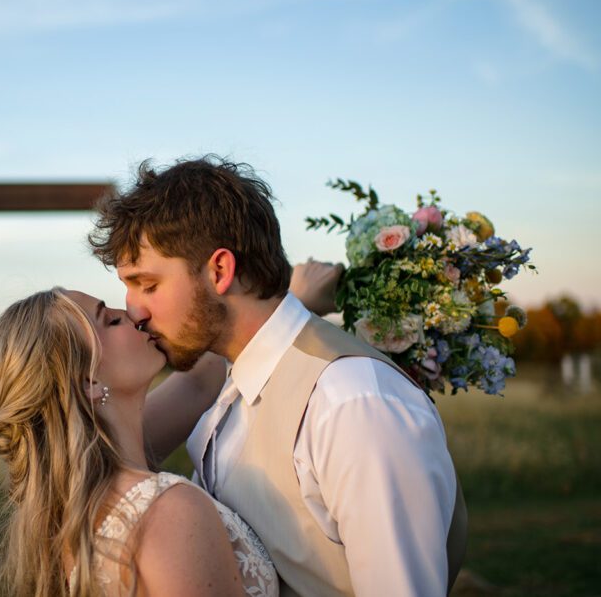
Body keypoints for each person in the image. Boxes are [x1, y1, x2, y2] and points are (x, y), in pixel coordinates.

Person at [89, 156, 468, 597]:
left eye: (147, 284)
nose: (133, 310)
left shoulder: (351, 404)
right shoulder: (236, 383)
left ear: (219, 271)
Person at [0, 273, 337, 596]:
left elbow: (197, 382)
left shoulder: (72, 498)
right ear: (89, 383)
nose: (135, 314)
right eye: (109, 320)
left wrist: (283, 308)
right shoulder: (167, 511)